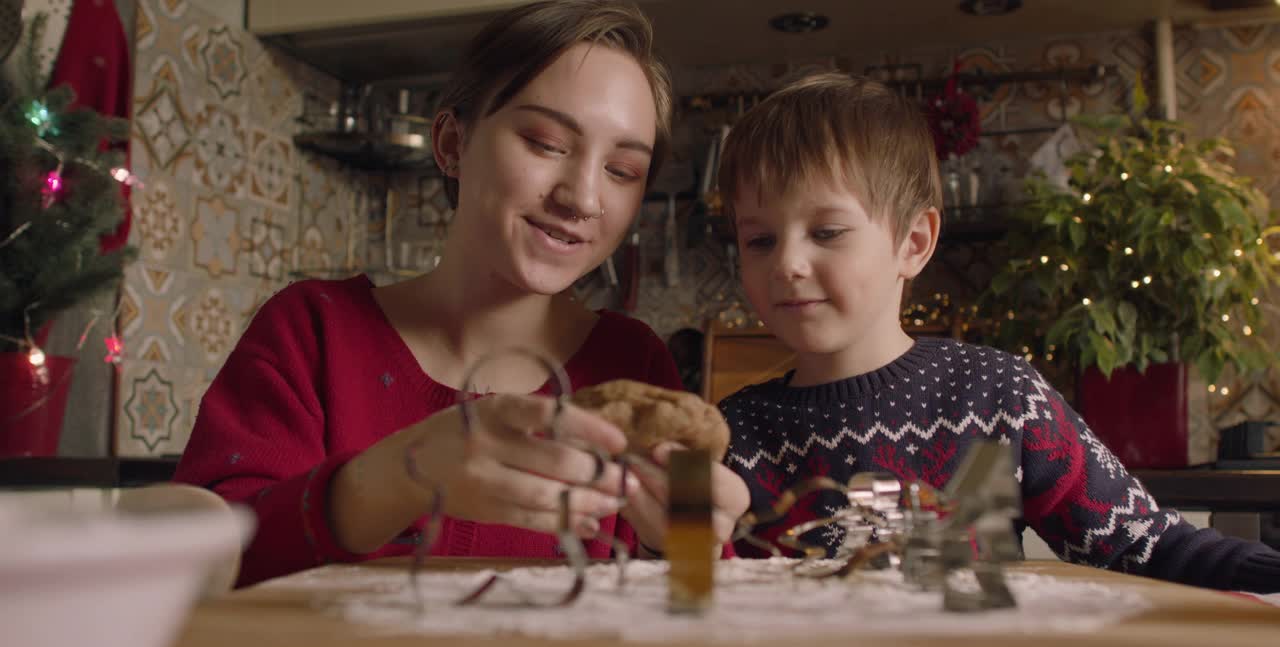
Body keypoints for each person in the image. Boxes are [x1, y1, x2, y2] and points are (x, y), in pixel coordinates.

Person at [173, 0, 748, 587]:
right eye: (547, 142)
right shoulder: (311, 331)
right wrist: (397, 477)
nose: (583, 198)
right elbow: (199, 565)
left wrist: (682, 544)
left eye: (623, 171)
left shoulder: (636, 363)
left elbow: (697, 599)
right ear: (451, 144)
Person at [714, 72, 1280, 592]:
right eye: (759, 240)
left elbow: (1144, 545)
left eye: (828, 231)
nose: (785, 263)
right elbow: (696, 595)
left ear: (913, 243)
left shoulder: (994, 396)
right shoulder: (731, 432)